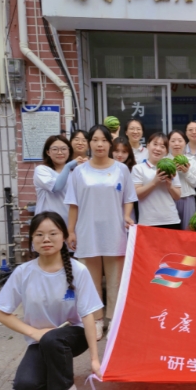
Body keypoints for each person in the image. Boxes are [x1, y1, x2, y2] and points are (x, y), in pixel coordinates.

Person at [0, 211, 103, 390]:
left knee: (53, 338)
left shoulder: (79, 270)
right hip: (41, 339)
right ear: (32, 239)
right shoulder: (23, 272)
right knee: (25, 385)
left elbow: (88, 315)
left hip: (74, 334)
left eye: (53, 233)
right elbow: (2, 314)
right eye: (39, 234)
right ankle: (60, 371)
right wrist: (34, 333)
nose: (46, 239)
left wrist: (94, 359)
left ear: (64, 237)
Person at [65, 125, 137, 340]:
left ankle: (114, 318)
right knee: (90, 278)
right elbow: (73, 204)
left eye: (104, 140)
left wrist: (126, 216)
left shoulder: (121, 169)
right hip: (87, 230)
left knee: (115, 279)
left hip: (114, 229)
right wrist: (70, 230)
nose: (99, 144)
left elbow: (129, 198)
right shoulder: (79, 172)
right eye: (95, 140)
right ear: (89, 143)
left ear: (110, 144)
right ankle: (96, 320)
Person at [132, 132, 182, 229]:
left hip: (171, 220)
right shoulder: (138, 168)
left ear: (166, 151)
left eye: (162, 146)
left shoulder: (171, 168)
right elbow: (136, 195)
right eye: (155, 144)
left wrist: (170, 186)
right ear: (148, 145)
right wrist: (154, 182)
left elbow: (177, 196)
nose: (158, 149)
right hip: (148, 221)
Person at [34, 136, 79, 225]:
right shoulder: (42, 170)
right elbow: (56, 187)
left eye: (64, 149)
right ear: (48, 152)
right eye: (55, 149)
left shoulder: (75, 172)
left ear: (69, 151)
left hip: (71, 224)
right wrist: (67, 166)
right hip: (48, 224)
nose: (60, 152)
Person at [168, 129, 196, 229]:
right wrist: (172, 171)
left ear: (185, 143)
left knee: (188, 230)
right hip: (169, 199)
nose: (176, 144)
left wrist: (186, 172)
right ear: (168, 143)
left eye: (180, 140)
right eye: (173, 141)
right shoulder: (164, 161)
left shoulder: (191, 161)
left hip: (188, 199)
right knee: (171, 231)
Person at [112, 136, 138, 223]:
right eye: (116, 151)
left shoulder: (134, 169)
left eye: (124, 152)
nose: (120, 155)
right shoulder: (105, 168)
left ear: (129, 153)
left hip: (128, 214)